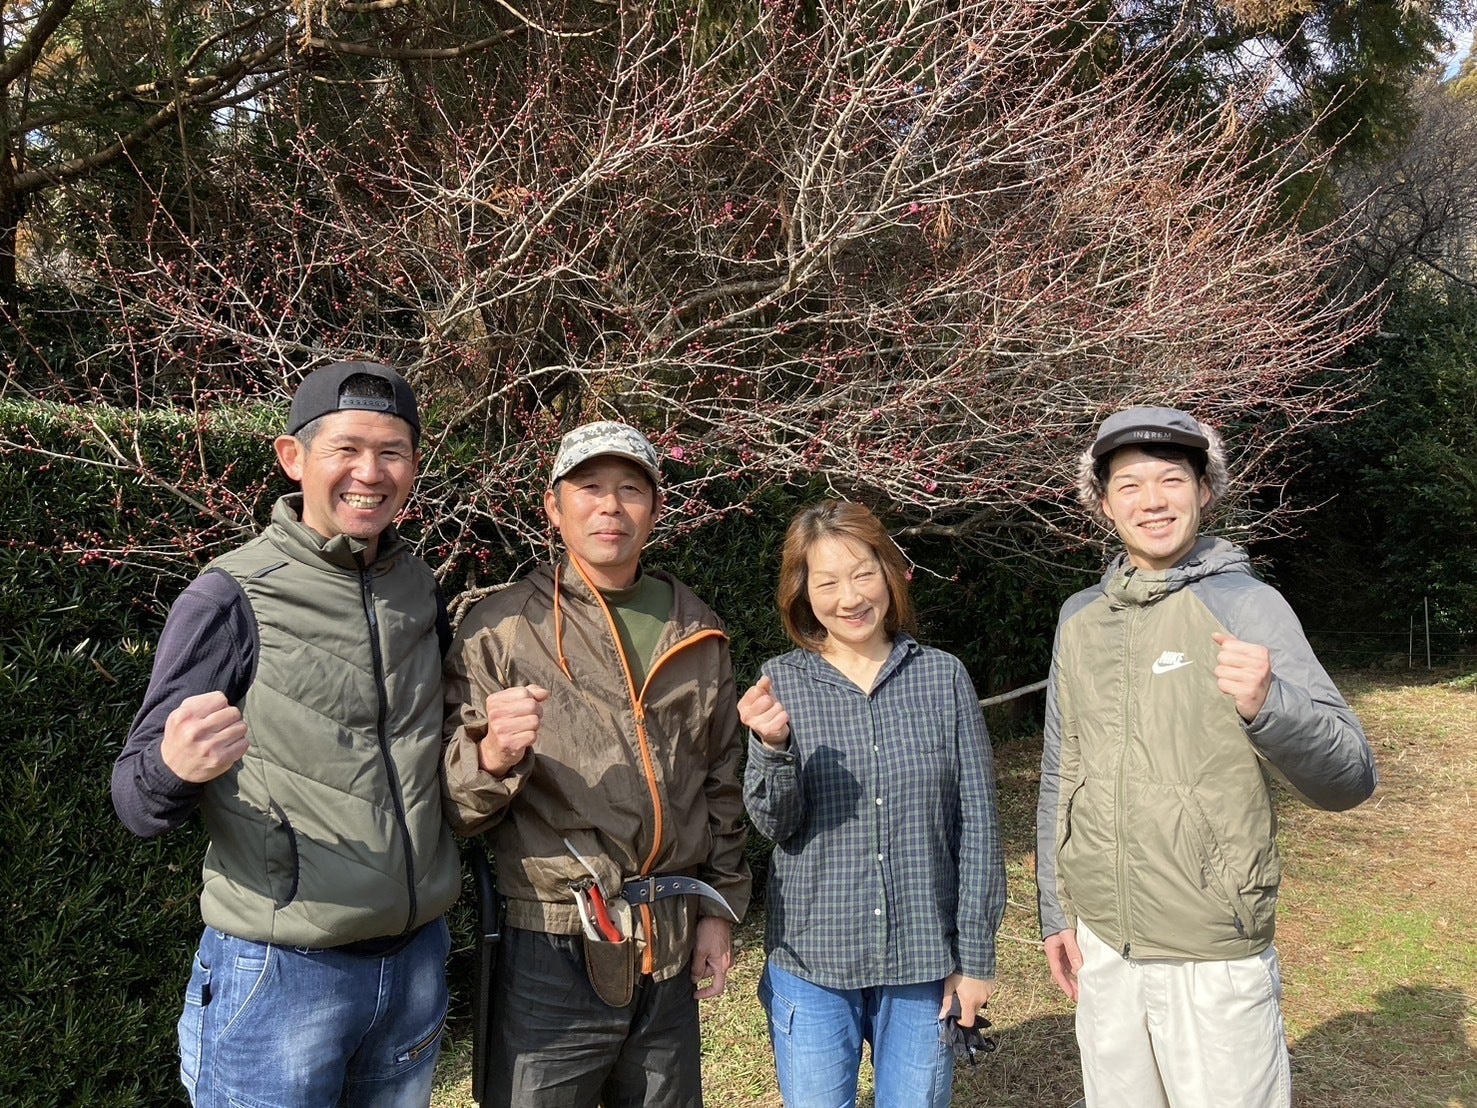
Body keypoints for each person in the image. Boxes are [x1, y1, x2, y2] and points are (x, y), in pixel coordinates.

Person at [111, 362, 462, 1107]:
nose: (370, 473)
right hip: (280, 976)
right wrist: (174, 766)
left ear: (413, 466)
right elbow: (135, 802)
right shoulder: (229, 596)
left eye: (392, 452)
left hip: (415, 963)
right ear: (292, 457)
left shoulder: (417, 589)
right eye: (346, 449)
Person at [1035, 406, 1379, 1108]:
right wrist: (1055, 913)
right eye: (1129, 485)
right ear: (1102, 503)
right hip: (1103, 944)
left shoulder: (1248, 607)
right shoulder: (1079, 619)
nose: (1152, 501)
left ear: (1204, 490)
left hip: (1213, 949)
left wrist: (1269, 703)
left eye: (1171, 480)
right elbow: (1059, 770)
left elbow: (1350, 777)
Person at [441, 420, 752, 1108]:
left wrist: (718, 909)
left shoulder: (696, 629)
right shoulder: (499, 629)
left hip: (668, 944)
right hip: (550, 944)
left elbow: (719, 782)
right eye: (588, 487)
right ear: (553, 507)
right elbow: (456, 808)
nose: (610, 506)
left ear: (656, 508)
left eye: (630, 490)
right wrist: (492, 754)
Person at [739, 500, 1006, 1108]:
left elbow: (978, 827)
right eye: (827, 582)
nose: (849, 598)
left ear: (889, 573)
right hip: (813, 959)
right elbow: (775, 823)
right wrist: (771, 747)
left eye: (863, 574)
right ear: (802, 593)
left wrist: (975, 958)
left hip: (921, 957)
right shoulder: (782, 681)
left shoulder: (942, 677)